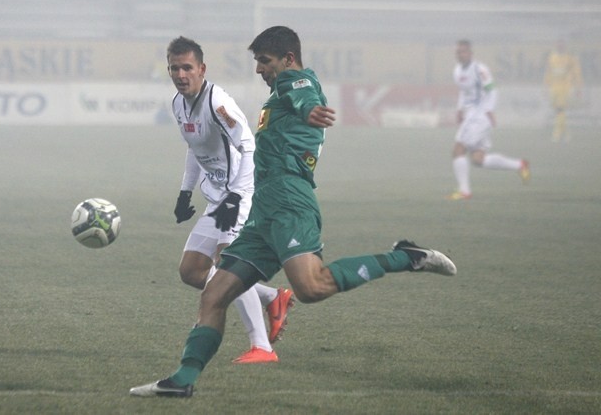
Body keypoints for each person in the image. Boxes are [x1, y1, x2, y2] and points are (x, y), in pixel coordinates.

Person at [130, 26, 457, 398]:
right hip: (263, 210)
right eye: (256, 62)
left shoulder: (297, 83)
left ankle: (405, 257)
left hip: (289, 200)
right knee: (213, 294)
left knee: (312, 287)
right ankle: (182, 380)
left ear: (287, 59)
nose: (259, 70)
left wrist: (309, 108)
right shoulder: (276, 94)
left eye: (264, 62)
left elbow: (300, 92)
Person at [166, 36, 294, 365]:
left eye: (187, 68)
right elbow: (196, 149)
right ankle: (270, 297)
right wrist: (185, 192)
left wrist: (236, 196)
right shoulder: (178, 105)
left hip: (241, 194)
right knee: (192, 271)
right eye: (174, 68)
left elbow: (248, 145)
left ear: (201, 69)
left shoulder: (217, 101)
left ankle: (262, 346)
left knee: (228, 265)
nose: (181, 74)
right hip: (217, 199)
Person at [447, 39, 530, 201]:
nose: (460, 54)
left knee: (458, 150)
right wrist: (459, 109)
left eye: (463, 51)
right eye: (458, 52)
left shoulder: (480, 69)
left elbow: (491, 90)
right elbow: (464, 91)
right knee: (478, 159)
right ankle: (521, 165)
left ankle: (464, 192)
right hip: (471, 116)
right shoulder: (457, 71)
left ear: (470, 53)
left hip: (479, 116)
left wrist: (489, 110)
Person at [544, 39, 583, 142]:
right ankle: (566, 134)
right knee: (558, 110)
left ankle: (557, 134)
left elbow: (576, 73)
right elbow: (548, 72)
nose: (560, 46)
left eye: (562, 44)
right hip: (554, 87)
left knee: (560, 109)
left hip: (565, 87)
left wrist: (578, 87)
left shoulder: (570, 58)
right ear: (556, 45)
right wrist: (546, 86)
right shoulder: (552, 57)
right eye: (558, 44)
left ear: (565, 46)